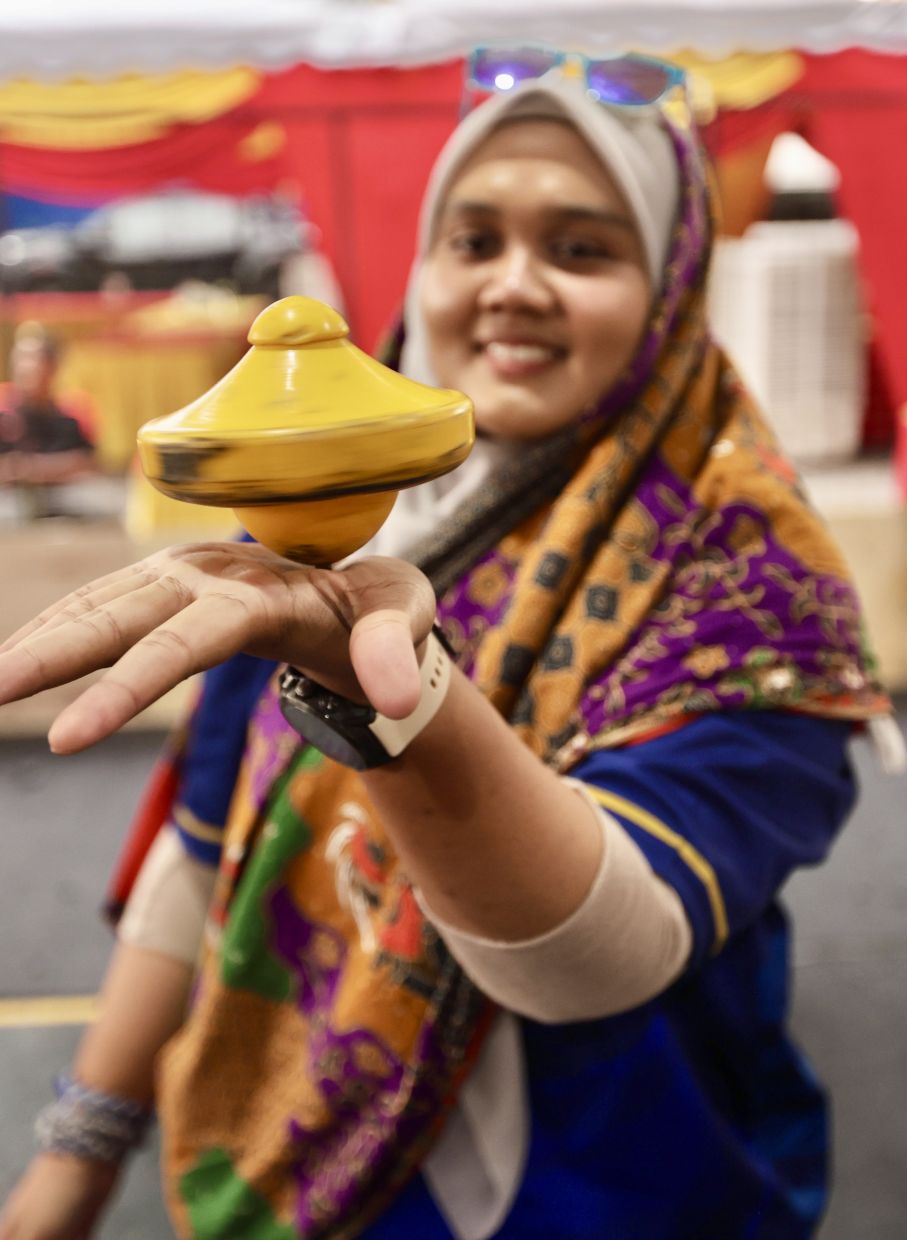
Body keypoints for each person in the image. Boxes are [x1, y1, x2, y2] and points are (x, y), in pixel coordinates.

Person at [0, 53, 893, 1240]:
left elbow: (597, 956)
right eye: (473, 240)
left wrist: (396, 705)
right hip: (314, 1156)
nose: (513, 285)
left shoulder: (743, 578)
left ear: (673, 284)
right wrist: (79, 1150)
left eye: (581, 248)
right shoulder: (310, 526)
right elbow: (209, 848)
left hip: (621, 1187)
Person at [0, 325, 96, 494]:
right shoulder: (3, 408)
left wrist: (28, 469)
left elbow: (86, 463)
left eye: (34, 359)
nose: (26, 367)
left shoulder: (70, 415)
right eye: (20, 358)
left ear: (53, 367)